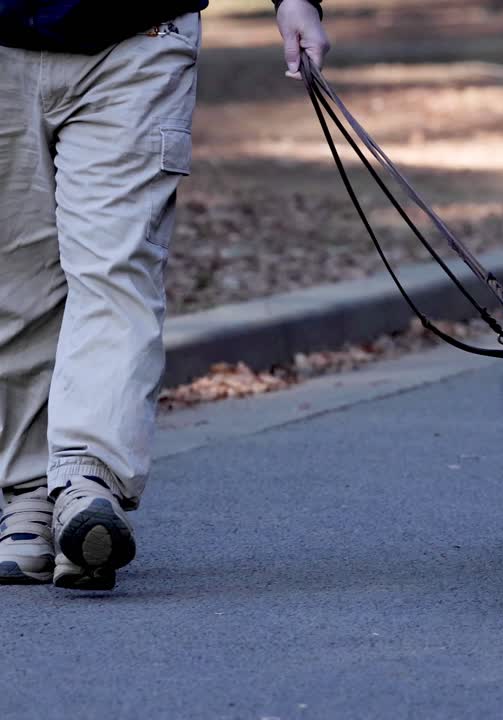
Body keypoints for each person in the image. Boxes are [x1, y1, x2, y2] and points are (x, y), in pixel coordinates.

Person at [0, 0, 331, 590]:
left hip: (138, 34)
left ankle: (86, 483)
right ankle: (27, 496)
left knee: (115, 268)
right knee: (15, 285)